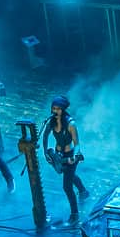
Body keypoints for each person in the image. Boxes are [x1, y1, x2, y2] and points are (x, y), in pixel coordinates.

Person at [41, 95, 88, 223]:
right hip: (58, 154)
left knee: (67, 186)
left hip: (70, 155)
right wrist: (45, 152)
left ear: (63, 109)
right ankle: (83, 191)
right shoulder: (51, 122)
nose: (55, 111)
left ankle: (75, 214)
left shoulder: (71, 123)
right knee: (69, 175)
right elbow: (45, 136)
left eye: (58, 108)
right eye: (53, 108)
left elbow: (77, 143)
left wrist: (75, 156)